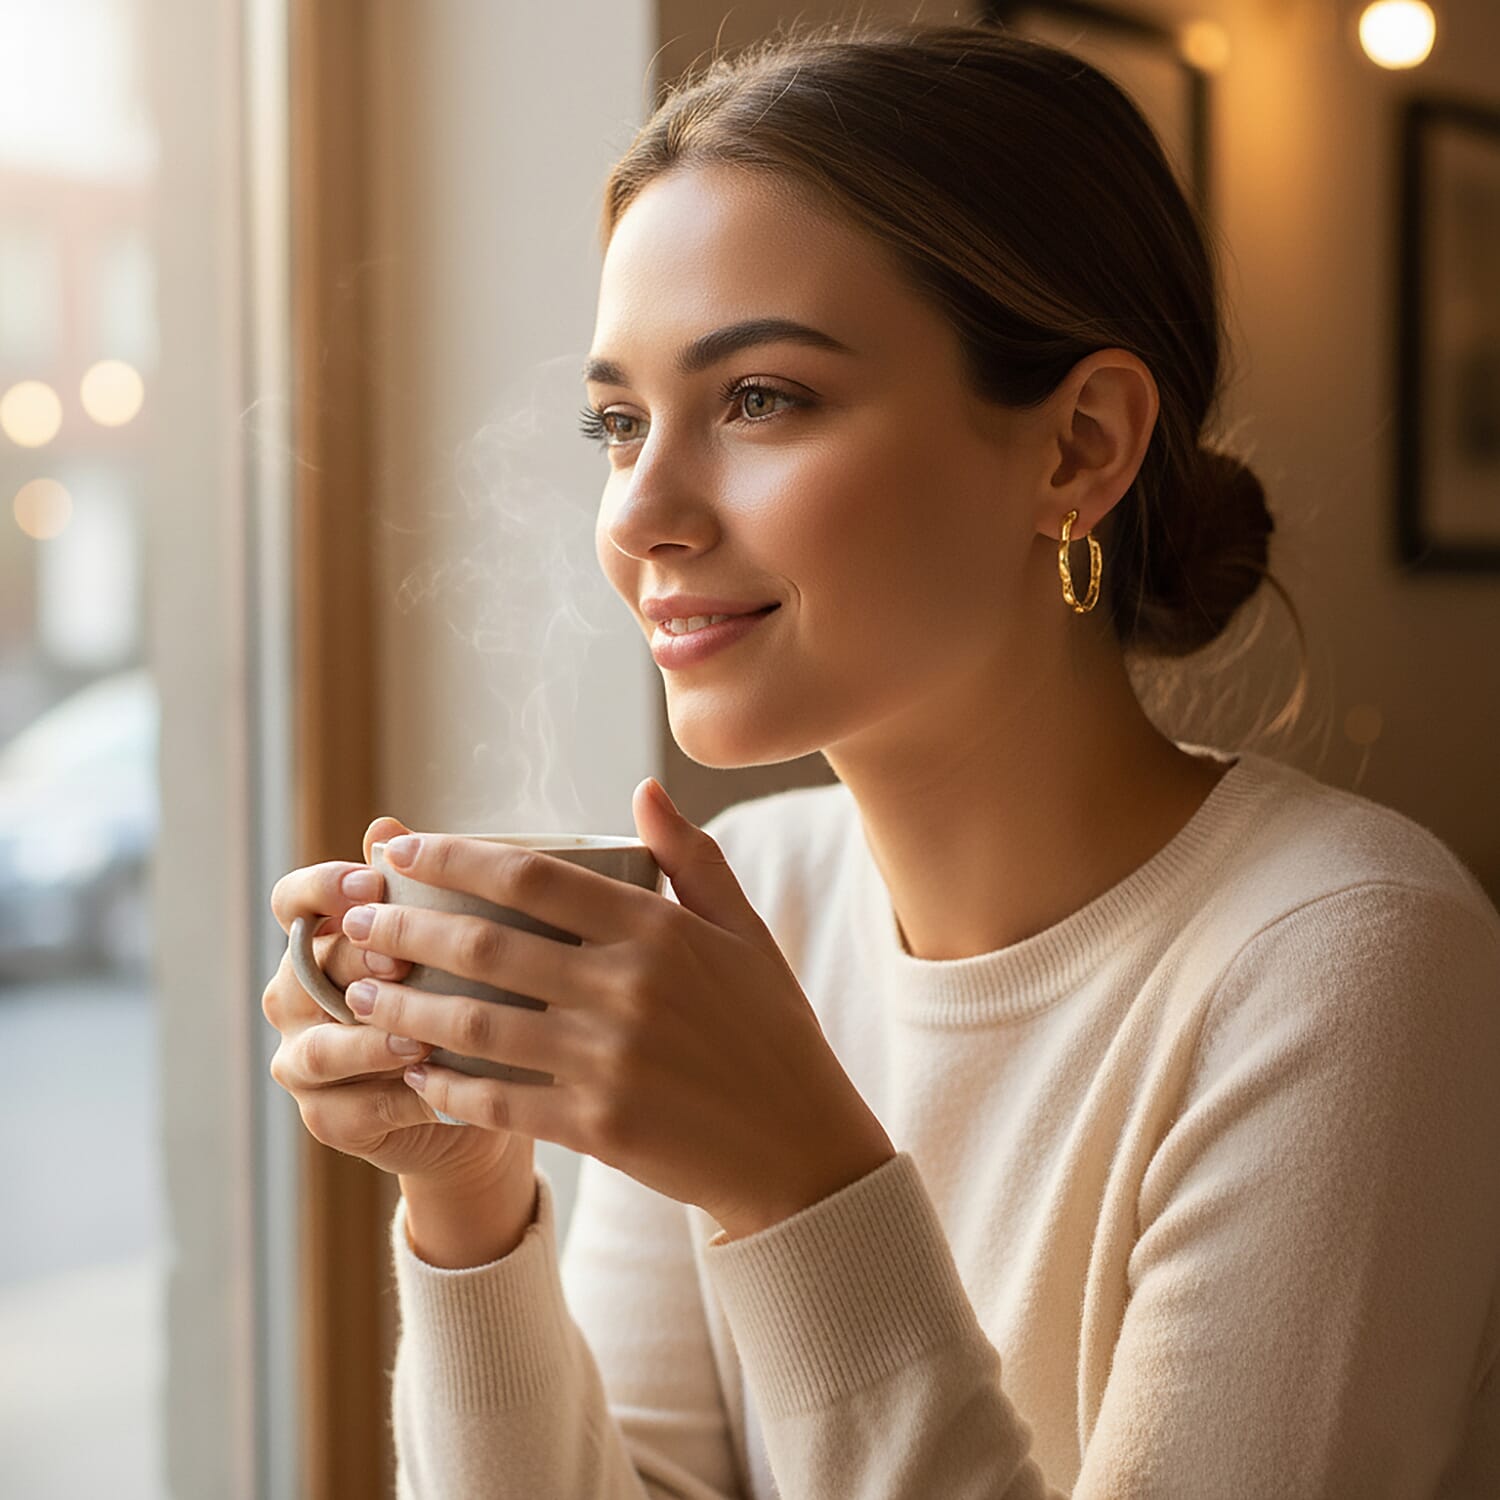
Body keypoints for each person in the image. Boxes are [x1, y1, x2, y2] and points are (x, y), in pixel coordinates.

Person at [261, 17, 1500, 1498]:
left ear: (1078, 448)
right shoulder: (748, 903)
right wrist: (469, 1204)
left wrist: (797, 1183)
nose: (641, 512)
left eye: (760, 399)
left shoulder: (1346, 956)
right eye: (616, 420)